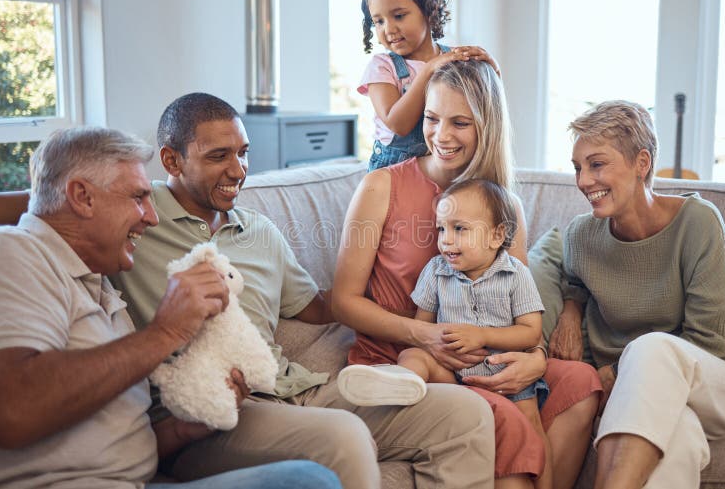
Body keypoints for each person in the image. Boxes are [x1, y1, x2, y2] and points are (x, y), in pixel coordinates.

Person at [110, 92, 498, 489]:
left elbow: (316, 306)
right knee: (343, 436)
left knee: (465, 414)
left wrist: (398, 283)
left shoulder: (259, 229)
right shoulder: (138, 221)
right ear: (171, 160)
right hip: (211, 416)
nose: (238, 170)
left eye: (243, 153)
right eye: (218, 156)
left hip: (294, 390)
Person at [0, 127, 341, 489]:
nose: (152, 217)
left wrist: (184, 429)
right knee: (307, 482)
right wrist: (167, 331)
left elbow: (119, 434)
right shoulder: (11, 251)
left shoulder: (100, 286)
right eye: (138, 197)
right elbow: (10, 411)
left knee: (308, 479)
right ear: (82, 197)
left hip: (141, 479)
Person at [332, 60, 602, 489]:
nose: (441, 135)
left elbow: (520, 306)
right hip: (404, 360)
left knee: (583, 382)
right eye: (432, 118)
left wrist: (532, 361)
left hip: (484, 354)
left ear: (486, 127)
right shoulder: (382, 187)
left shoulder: (504, 207)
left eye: (460, 122)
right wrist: (425, 337)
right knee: (508, 419)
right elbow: (342, 301)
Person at [548, 100, 725, 489]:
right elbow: (575, 282)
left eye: (597, 164)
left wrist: (617, 372)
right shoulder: (580, 237)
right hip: (646, 405)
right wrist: (570, 308)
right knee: (678, 440)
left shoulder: (698, 223)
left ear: (642, 163)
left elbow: (713, 343)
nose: (583, 181)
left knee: (650, 348)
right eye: (577, 168)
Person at [339, 178, 553, 489]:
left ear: (497, 236)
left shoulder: (515, 274)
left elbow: (531, 333)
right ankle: (398, 384)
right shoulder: (436, 271)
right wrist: (432, 344)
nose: (446, 241)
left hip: (505, 372)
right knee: (412, 354)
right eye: (442, 229)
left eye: (459, 229)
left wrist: (483, 336)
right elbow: (423, 328)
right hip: (454, 372)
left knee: (531, 427)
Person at [359, 0, 500, 171]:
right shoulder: (382, 67)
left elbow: (485, 110)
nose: (388, 29)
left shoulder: (452, 59)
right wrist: (429, 70)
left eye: (398, 16)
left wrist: (492, 70)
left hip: (444, 165)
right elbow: (398, 125)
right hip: (395, 170)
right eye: (378, 21)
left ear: (428, 9)